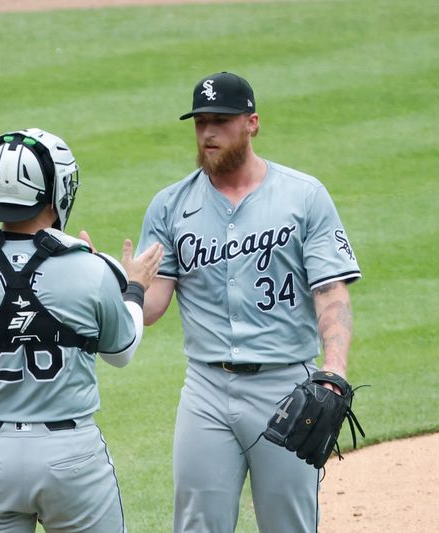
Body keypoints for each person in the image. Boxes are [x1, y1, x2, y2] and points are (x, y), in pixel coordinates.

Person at [0, 128, 163, 533]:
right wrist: (134, 286)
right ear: (58, 192)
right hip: (71, 459)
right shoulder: (89, 269)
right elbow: (120, 352)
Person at [136, 72, 362, 532]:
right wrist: (123, 287)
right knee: (198, 524)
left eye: (220, 121)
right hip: (205, 392)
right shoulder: (170, 205)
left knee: (289, 525)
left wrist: (335, 368)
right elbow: (153, 306)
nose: (208, 133)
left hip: (285, 388)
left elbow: (330, 290)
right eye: (200, 122)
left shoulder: (304, 196)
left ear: (252, 123)